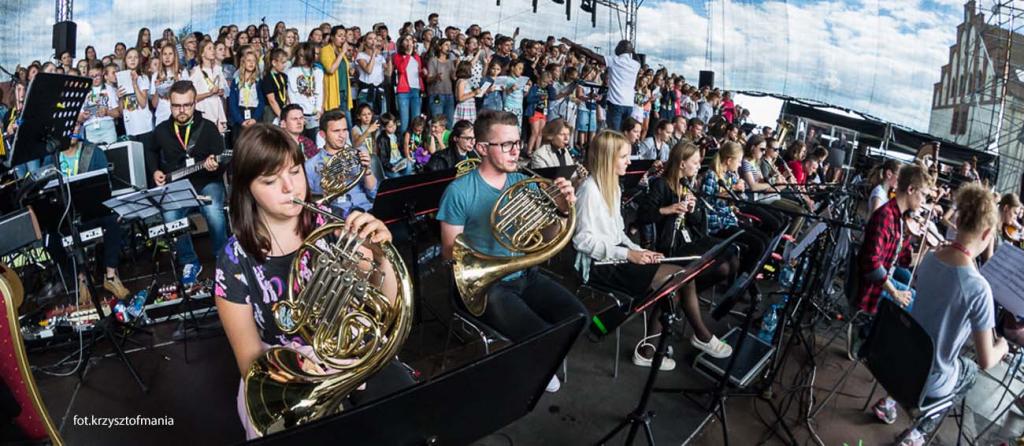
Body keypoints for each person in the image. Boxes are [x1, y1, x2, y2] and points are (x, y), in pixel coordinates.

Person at [215, 123, 413, 440]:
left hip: (346, 352)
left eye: (294, 172)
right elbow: (250, 362)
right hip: (283, 374)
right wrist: (303, 374)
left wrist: (381, 257)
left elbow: (384, 305)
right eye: (269, 180)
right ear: (246, 188)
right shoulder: (233, 259)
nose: (289, 188)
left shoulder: (332, 223)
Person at [437, 110, 586, 393]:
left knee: (579, 318)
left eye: (518, 142)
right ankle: (535, 365)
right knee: (542, 337)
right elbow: (449, 253)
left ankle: (539, 361)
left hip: (525, 274)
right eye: (506, 144)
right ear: (482, 148)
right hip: (487, 286)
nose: (516, 150)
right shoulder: (459, 191)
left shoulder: (522, 181)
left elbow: (545, 236)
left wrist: (562, 210)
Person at [574, 131, 733, 370]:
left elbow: (618, 234)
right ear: (608, 159)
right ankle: (692, 339)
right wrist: (629, 254)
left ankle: (651, 349)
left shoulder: (613, 187)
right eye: (624, 156)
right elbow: (582, 242)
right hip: (599, 267)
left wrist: (641, 251)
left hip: (615, 258)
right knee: (678, 277)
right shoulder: (589, 190)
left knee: (678, 277)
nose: (630, 161)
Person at [872, 184, 1009, 446]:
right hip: (928, 380)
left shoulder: (931, 258)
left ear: (957, 220)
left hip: (897, 359)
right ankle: (916, 434)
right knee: (969, 370)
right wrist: (1002, 346)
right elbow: (986, 360)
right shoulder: (979, 289)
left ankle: (890, 402)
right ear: (989, 233)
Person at [151, 81, 228, 287]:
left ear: (195, 103)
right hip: (178, 186)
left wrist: (215, 166)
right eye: (177, 106)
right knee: (169, 214)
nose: (182, 110)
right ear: (169, 104)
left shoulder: (208, 127)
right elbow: (150, 151)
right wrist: (155, 171)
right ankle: (189, 262)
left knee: (213, 213)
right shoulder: (161, 130)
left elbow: (223, 160)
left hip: (207, 182)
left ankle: (225, 259)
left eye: (187, 105)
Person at [856, 164, 933, 319]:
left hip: (881, 285)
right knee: (922, 313)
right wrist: (895, 293)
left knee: (923, 304)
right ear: (911, 190)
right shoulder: (885, 216)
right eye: (923, 195)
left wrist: (926, 250)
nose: (924, 201)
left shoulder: (899, 218)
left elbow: (903, 261)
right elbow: (871, 262)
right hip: (871, 290)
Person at [305, 109, 378, 217]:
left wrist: (367, 171)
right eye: (336, 131)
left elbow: (373, 194)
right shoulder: (310, 165)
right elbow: (309, 203)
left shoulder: (358, 155)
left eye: (344, 130)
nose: (342, 135)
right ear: (322, 134)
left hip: (366, 210)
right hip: (337, 218)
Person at [560, 38, 639, 132]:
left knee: (614, 134)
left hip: (616, 104)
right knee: (625, 133)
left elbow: (591, 54)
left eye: (618, 46)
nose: (616, 48)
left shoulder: (614, 60)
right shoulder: (636, 64)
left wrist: (574, 45)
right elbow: (636, 57)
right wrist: (631, 49)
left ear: (621, 48)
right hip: (629, 105)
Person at [286, 43, 324, 142]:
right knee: (298, 142)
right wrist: (296, 112)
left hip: (313, 114)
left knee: (313, 143)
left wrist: (319, 109)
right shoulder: (292, 71)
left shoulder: (318, 72)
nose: (301, 58)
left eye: (303, 55)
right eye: (299, 55)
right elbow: (291, 94)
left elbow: (320, 92)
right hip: (299, 114)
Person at [192, 41, 229, 134]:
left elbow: (226, 90)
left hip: (217, 109)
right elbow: (192, 97)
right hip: (204, 110)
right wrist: (210, 93)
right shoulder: (196, 71)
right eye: (209, 48)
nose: (213, 51)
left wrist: (221, 91)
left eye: (213, 48)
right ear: (202, 53)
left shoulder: (218, 69)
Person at [150, 44, 190, 126]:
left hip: (180, 116)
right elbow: (154, 104)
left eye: (170, 54)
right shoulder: (156, 75)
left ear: (175, 56)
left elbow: (189, 97)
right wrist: (158, 88)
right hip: (162, 116)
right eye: (164, 54)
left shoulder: (182, 72)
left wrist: (179, 85)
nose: (167, 57)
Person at [393, 33, 426, 135]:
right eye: (406, 40)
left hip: (415, 90)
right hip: (404, 91)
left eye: (410, 40)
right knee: (404, 121)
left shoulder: (416, 56)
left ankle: (414, 144)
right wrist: (407, 55)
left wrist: (423, 72)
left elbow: (417, 73)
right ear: (401, 42)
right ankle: (404, 145)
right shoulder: (397, 56)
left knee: (416, 120)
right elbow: (401, 69)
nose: (409, 42)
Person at [80, 64, 121, 145]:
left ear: (102, 74)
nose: (95, 78)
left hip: (108, 129)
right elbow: (78, 118)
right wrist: (83, 116)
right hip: (90, 130)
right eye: (92, 76)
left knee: (112, 154)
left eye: (97, 75)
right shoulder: (83, 91)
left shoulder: (109, 89)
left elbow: (117, 113)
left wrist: (107, 112)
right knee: (93, 156)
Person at [227, 51, 264, 140]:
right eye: (248, 60)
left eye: (254, 61)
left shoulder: (258, 82)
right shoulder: (236, 81)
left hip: (254, 113)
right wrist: (241, 121)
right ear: (243, 62)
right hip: (240, 114)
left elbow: (261, 102)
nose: (251, 63)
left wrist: (255, 119)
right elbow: (232, 103)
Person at [427, 39, 456, 129]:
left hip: (449, 94)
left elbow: (454, 77)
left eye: (449, 45)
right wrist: (436, 77)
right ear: (440, 47)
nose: (448, 47)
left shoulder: (450, 62)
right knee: (437, 122)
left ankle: (447, 141)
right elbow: (428, 79)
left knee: (449, 122)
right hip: (436, 94)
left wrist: (457, 66)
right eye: (446, 45)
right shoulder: (433, 60)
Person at [374, 113, 413, 177]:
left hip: (400, 161)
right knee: (396, 176)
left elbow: (402, 149)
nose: (393, 128)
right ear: (384, 127)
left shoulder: (397, 134)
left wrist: (407, 157)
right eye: (390, 127)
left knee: (409, 166)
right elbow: (383, 158)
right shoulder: (381, 139)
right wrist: (390, 167)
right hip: (389, 165)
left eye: (394, 125)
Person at [260, 49, 289, 124]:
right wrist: (281, 116)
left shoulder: (284, 76)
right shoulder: (268, 78)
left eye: (285, 62)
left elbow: (286, 94)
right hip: (271, 111)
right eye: (282, 63)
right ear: (274, 63)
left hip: (283, 109)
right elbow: (271, 100)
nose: (285, 65)